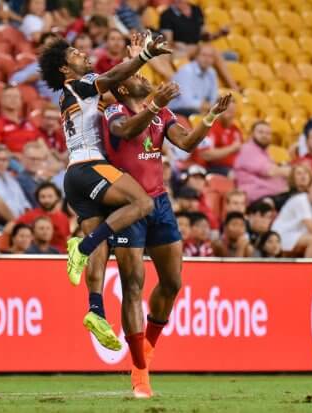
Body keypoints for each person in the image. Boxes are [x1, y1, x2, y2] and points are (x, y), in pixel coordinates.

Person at [101, 71, 231, 397]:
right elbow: (125, 132)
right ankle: (140, 374)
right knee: (133, 285)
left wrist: (211, 115)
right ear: (124, 86)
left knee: (173, 282)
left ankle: (147, 348)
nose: (144, 77)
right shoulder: (114, 110)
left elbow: (186, 142)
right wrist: (155, 103)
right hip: (128, 205)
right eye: (137, 75)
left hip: (159, 203)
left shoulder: (162, 113)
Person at [38, 31, 171, 308]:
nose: (84, 54)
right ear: (64, 68)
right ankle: (81, 247)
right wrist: (145, 57)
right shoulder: (79, 84)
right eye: (76, 53)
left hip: (74, 175)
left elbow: (122, 86)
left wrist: (135, 61)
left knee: (101, 245)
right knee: (143, 202)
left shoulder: (73, 96)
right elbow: (113, 80)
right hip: (90, 166)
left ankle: (95, 309)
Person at [159, 0, 237, 90]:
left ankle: (232, 87)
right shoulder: (166, 15)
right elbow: (167, 42)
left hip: (196, 49)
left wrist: (219, 34)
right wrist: (178, 45)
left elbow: (204, 36)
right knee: (212, 51)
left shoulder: (196, 10)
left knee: (228, 54)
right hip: (180, 51)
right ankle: (233, 88)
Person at [271, 176, 312, 258]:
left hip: (298, 235)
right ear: (309, 188)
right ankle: (308, 269)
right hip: (281, 235)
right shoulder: (301, 200)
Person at [234, 121, 290, 203]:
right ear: (251, 134)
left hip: (271, 194)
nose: (264, 135)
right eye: (260, 132)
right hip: (257, 198)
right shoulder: (248, 150)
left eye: (268, 133)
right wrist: (291, 171)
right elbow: (270, 171)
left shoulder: (264, 152)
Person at [0, 86, 43, 159]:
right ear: (1, 100)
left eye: (16, 96)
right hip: (13, 163)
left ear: (21, 101)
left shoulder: (28, 124)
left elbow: (43, 146)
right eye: (9, 96)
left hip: (36, 161)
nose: (13, 99)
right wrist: (15, 156)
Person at [16, 182, 71, 253]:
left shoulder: (64, 218)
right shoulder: (29, 216)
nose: (46, 200)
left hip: (61, 258)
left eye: (50, 196)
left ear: (57, 197)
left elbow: (68, 241)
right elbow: (11, 230)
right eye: (42, 197)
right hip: (36, 257)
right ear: (37, 198)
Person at [167, 44, 218, 117]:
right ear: (196, 56)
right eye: (204, 55)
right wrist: (206, 106)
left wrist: (209, 106)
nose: (207, 59)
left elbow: (213, 97)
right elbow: (186, 102)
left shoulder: (212, 73)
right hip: (177, 111)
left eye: (210, 56)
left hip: (198, 109)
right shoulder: (186, 71)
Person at [0, 144, 32, 217]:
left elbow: (24, 203)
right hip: (0, 224)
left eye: (4, 160)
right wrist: (13, 223)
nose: (0, 163)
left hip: (21, 223)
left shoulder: (10, 177)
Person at [195, 101, 242, 176]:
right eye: (227, 110)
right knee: (235, 176)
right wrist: (232, 148)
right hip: (209, 168)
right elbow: (206, 155)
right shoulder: (209, 127)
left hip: (232, 168)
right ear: (218, 110)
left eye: (232, 111)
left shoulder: (236, 130)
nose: (230, 114)